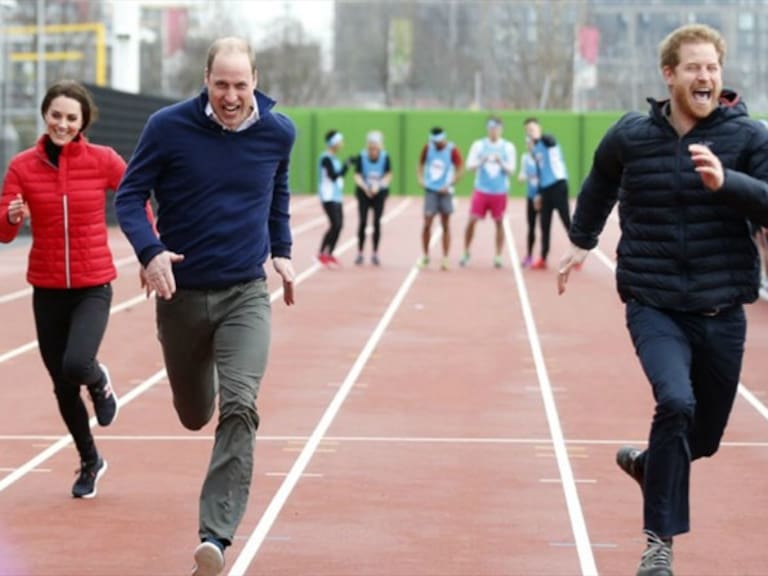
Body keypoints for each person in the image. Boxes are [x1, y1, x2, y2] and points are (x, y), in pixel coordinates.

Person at [557, 24, 768, 576]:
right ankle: (659, 545)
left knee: (704, 437)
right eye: (694, 67)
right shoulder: (631, 135)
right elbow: (600, 180)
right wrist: (582, 240)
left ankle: (651, 465)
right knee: (675, 403)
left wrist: (731, 184)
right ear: (669, 74)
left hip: (722, 308)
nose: (706, 76)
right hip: (654, 304)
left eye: (713, 67)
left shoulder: (748, 137)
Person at [114, 37, 296, 576]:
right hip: (181, 296)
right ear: (205, 79)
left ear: (256, 81)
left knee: (240, 406)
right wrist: (150, 254)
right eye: (222, 84)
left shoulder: (278, 132)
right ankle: (202, 377)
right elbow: (129, 196)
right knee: (195, 414)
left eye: (241, 85)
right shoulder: (168, 127)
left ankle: (214, 537)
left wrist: (282, 251)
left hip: (244, 293)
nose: (231, 96)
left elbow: (277, 192)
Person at [0, 81, 125, 499]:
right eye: (56, 115)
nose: (63, 124)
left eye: (72, 118)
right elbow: (3, 230)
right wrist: (13, 216)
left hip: (93, 285)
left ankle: (100, 382)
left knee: (77, 363)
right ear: (45, 115)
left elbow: (136, 197)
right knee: (62, 385)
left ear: (82, 121)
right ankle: (90, 460)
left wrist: (152, 248)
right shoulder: (22, 166)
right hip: (47, 288)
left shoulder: (103, 160)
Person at [459, 116, 516, 269]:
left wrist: (500, 162)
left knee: (499, 222)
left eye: (496, 128)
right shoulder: (478, 145)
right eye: (491, 128)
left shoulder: (508, 147)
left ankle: (498, 255)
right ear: (487, 129)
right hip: (481, 190)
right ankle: (465, 251)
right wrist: (482, 160)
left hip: (499, 191)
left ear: (501, 129)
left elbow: (511, 170)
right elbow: (469, 166)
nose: (494, 131)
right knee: (472, 220)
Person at [524, 117, 571, 270]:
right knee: (544, 224)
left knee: (566, 220)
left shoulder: (548, 140)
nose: (530, 132)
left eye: (532, 129)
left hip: (558, 184)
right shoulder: (535, 150)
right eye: (528, 130)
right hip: (545, 189)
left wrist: (537, 137)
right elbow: (539, 172)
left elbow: (550, 140)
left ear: (538, 129)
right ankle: (543, 258)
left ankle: (578, 252)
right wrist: (537, 193)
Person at [417, 127, 463, 270]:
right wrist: (420, 179)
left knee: (445, 224)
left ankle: (445, 258)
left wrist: (450, 183)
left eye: (439, 141)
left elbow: (461, 168)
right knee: (427, 223)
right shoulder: (428, 148)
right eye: (434, 141)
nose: (437, 144)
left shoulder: (452, 149)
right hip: (431, 190)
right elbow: (420, 163)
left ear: (444, 138)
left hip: (445, 192)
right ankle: (425, 256)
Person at [352, 130, 392, 266]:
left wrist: (378, 186)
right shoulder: (361, 157)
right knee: (363, 222)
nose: (373, 150)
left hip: (379, 193)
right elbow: (357, 175)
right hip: (364, 193)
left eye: (376, 147)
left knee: (376, 222)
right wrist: (365, 187)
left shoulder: (385, 157)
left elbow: (388, 175)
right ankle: (360, 252)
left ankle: (375, 253)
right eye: (371, 147)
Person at [317, 130, 349, 267]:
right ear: (333, 142)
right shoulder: (326, 158)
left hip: (337, 196)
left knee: (339, 225)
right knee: (335, 224)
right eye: (339, 141)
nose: (341, 144)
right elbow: (333, 176)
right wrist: (346, 167)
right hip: (328, 197)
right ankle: (321, 252)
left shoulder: (335, 158)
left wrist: (345, 167)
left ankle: (330, 253)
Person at [518, 136, 541, 268]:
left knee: (544, 227)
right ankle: (529, 255)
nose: (528, 145)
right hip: (531, 196)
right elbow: (522, 174)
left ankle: (543, 256)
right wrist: (522, 177)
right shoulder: (525, 158)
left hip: (543, 197)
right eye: (527, 143)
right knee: (531, 226)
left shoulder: (541, 157)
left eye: (531, 143)